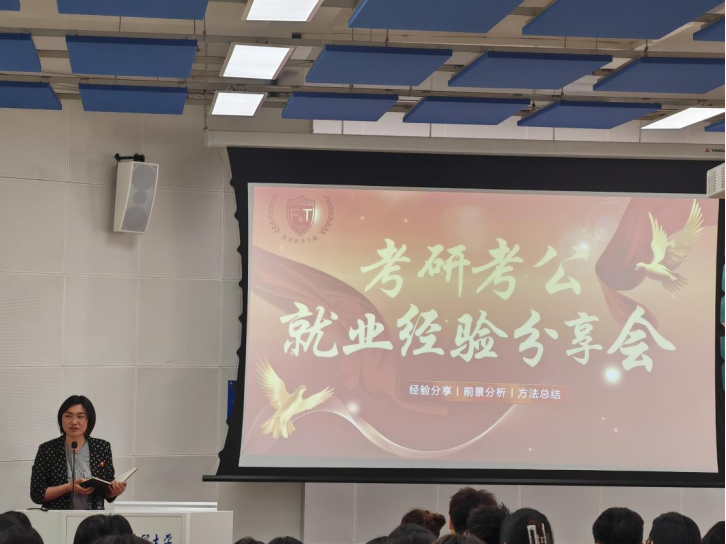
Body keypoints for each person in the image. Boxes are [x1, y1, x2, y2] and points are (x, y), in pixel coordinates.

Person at [30, 395, 127, 510]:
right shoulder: (47, 449)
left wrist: (115, 491)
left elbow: (107, 492)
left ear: (89, 420)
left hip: (93, 519)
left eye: (80, 416)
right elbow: (37, 494)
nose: (74, 421)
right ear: (61, 419)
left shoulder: (101, 447)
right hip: (57, 517)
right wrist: (69, 487)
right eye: (68, 416)